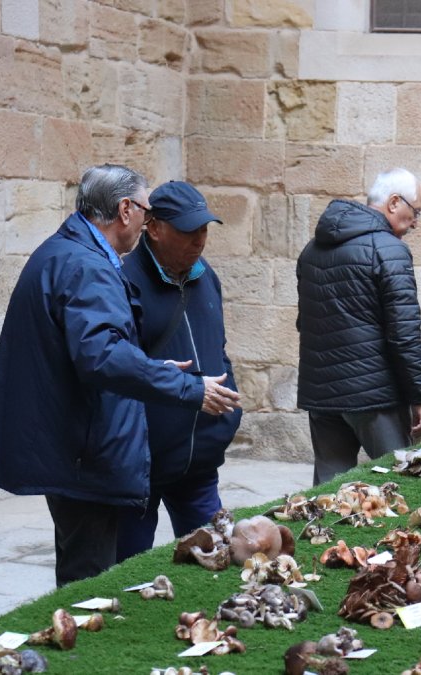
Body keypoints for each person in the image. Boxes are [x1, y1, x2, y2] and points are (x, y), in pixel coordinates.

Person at [0, 164, 239, 587]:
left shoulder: (69, 253)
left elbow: (99, 351)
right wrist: (184, 386)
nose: (149, 219)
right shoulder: (87, 266)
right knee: (94, 582)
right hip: (83, 454)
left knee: (92, 574)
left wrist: (156, 371)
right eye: (147, 210)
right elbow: (102, 357)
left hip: (82, 448)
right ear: (126, 210)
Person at [115, 181, 243, 562]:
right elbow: (116, 367)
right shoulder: (123, 282)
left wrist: (228, 417)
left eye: (204, 229)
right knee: (128, 571)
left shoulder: (208, 278)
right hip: (143, 464)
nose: (200, 240)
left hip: (200, 462)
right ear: (153, 228)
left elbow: (219, 349)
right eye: (189, 230)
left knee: (216, 562)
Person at [296, 167, 421, 484]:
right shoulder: (389, 250)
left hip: (322, 394)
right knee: (400, 484)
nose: (415, 223)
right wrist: (420, 397)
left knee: (328, 495)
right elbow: (404, 335)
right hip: (374, 397)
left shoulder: (311, 250)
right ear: (394, 202)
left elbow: (306, 323)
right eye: (415, 213)